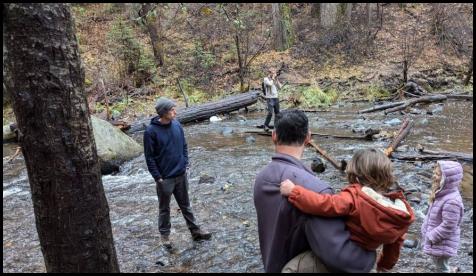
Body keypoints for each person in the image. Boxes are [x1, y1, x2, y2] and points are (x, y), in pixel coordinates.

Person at [253, 109, 376, 273]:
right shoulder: (317, 190)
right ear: (308, 138)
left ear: (274, 136)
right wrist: (372, 255)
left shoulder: (261, 179)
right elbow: (341, 258)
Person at [280, 148, 416, 272]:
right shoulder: (399, 214)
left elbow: (324, 204)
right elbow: (394, 245)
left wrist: (294, 192)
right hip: (364, 263)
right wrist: (384, 266)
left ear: (356, 175)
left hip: (341, 254)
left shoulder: (356, 196)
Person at [143, 97, 211, 249]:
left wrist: (185, 163)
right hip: (165, 178)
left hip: (181, 174)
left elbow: (184, 145)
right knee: (164, 209)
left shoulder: (177, 125)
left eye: (174, 108)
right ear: (163, 112)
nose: (175, 111)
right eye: (172, 109)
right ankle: (165, 236)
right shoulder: (150, 132)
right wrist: (158, 177)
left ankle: (195, 231)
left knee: (186, 205)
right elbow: (149, 158)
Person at [421, 160, 464, 273]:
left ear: (448, 179)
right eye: (435, 172)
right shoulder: (442, 193)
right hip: (438, 241)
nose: (434, 176)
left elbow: (449, 226)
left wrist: (431, 236)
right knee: (440, 264)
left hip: (442, 242)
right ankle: (451, 270)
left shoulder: (451, 201)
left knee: (441, 267)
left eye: (438, 174)